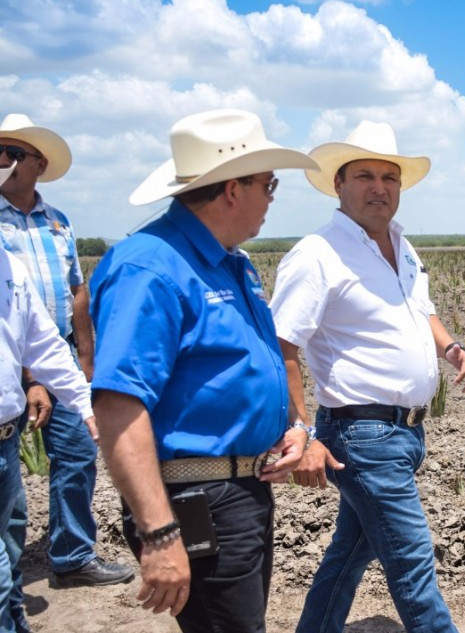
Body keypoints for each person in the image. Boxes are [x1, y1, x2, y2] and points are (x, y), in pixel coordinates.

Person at [88, 109, 317, 633]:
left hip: (241, 494)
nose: (272, 198)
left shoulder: (229, 262)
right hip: (196, 505)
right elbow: (120, 406)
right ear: (233, 189)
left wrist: (294, 429)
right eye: (269, 184)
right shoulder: (149, 267)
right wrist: (159, 534)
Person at [271, 121, 465, 633]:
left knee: (350, 552)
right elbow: (280, 346)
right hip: (362, 434)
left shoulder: (402, 247)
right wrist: (301, 429)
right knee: (412, 566)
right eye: (364, 174)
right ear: (338, 185)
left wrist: (451, 348)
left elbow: (421, 309)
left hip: (405, 431)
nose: (379, 186)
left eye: (389, 176)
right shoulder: (317, 254)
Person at [0, 113, 133, 628]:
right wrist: (34, 380)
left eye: (16, 154)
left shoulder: (57, 221)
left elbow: (77, 291)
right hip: (20, 364)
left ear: (40, 163)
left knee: (77, 455)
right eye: (2, 153)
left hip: (55, 352)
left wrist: (84, 365)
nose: (8, 163)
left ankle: (72, 555)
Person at [1, 241, 96, 633]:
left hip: (5, 440)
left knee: (9, 550)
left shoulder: (10, 267)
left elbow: (43, 345)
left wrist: (87, 406)